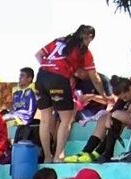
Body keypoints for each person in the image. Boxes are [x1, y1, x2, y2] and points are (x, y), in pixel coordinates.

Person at [35, 25, 109, 163]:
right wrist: (103, 95)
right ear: (89, 37)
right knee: (66, 119)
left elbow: (38, 54)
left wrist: (49, 67)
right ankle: (58, 155)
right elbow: (95, 78)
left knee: (45, 119)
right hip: (58, 79)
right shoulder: (83, 50)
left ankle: (47, 157)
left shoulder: (59, 40)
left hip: (41, 76)